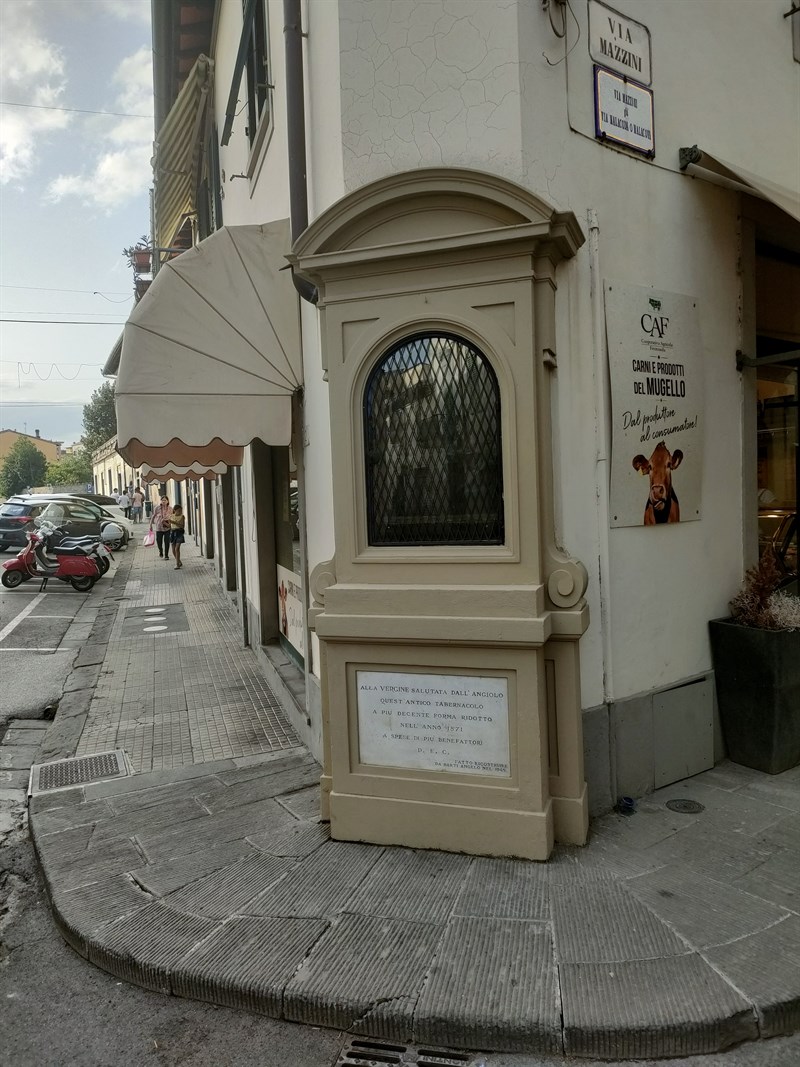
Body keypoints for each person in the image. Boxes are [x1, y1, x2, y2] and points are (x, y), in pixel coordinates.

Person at [169, 505, 186, 569]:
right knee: (173, 550)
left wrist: (174, 522)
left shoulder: (182, 517)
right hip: (172, 533)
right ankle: (179, 561)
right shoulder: (171, 516)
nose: (180, 512)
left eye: (181, 510)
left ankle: (177, 564)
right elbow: (170, 526)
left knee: (177, 548)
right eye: (179, 511)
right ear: (174, 510)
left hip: (179, 532)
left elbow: (182, 526)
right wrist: (164, 523)